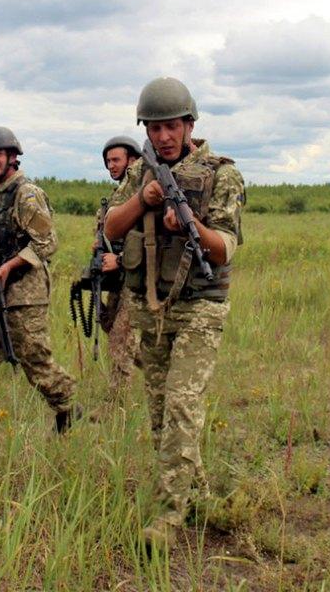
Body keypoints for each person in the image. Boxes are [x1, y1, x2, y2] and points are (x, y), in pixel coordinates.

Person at [103, 77, 245, 551]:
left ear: (190, 125)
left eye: (172, 126)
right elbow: (111, 227)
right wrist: (141, 201)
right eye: (155, 127)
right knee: (163, 413)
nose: (164, 136)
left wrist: (191, 228)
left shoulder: (221, 173)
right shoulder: (139, 172)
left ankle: (168, 517)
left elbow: (224, 248)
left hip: (201, 305)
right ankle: (199, 494)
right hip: (150, 306)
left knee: (183, 405)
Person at [0, 127, 77, 446]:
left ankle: (67, 409)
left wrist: (11, 265)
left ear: (12, 157)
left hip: (24, 296)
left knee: (35, 365)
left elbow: (47, 243)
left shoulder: (27, 193)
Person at [95, 135, 143, 402]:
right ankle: (165, 370)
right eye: (108, 161)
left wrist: (121, 259)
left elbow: (151, 239)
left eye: (116, 160)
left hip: (135, 278)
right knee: (111, 325)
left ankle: (116, 406)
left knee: (121, 339)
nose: (111, 165)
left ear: (132, 160)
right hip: (118, 278)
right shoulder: (120, 193)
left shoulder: (140, 194)